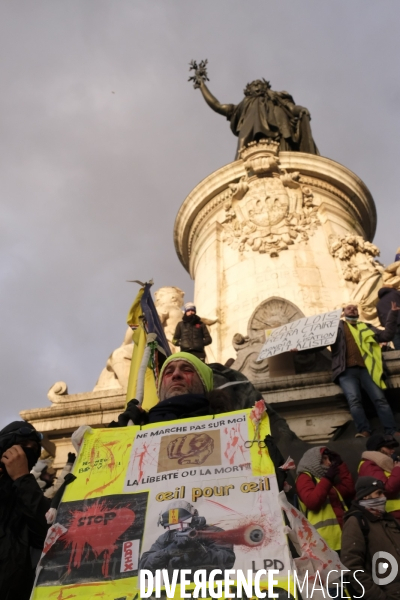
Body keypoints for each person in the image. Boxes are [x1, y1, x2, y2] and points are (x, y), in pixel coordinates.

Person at [331, 303, 400, 438]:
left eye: (355, 308)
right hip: (346, 371)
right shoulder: (336, 328)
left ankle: (391, 430)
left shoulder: (366, 327)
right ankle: (364, 430)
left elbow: (387, 336)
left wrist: (392, 314)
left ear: (358, 313)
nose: (352, 309)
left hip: (367, 370)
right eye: (349, 308)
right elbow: (319, 342)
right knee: (354, 401)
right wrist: (300, 349)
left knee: (380, 399)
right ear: (343, 313)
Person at [116, 352, 234, 427]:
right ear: (160, 389)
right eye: (169, 372)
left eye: (187, 369)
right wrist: (122, 432)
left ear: (204, 383)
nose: (176, 374)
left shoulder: (230, 423)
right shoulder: (135, 425)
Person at [0, 421, 49, 600]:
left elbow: (46, 535)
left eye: (33, 448)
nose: (26, 452)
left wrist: (22, 478)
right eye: (21, 447)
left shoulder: (29, 495)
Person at [138, 500, 235, 577]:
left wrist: (197, 550)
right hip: (178, 592)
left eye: (183, 524)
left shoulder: (212, 532)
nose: (179, 529)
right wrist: (166, 552)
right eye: (173, 526)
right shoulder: (166, 538)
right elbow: (144, 569)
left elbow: (228, 560)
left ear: (194, 519)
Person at [341, 476, 400, 600]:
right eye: (378, 493)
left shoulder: (389, 520)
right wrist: (379, 597)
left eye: (383, 493)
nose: (383, 498)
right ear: (365, 496)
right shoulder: (356, 522)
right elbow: (352, 567)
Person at [296, 446, 355, 552]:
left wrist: (340, 464)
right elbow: (312, 502)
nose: (329, 463)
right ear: (313, 461)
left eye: (329, 459)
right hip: (322, 542)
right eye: (324, 459)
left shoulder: (325, 481)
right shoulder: (305, 477)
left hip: (341, 538)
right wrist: (327, 479)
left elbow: (348, 490)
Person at [358, 433, 400, 521]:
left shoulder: (387, 465)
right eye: (389, 447)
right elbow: (386, 489)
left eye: (393, 447)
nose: (392, 450)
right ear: (377, 449)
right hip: (390, 513)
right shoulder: (368, 465)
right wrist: (397, 470)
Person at [377, 286, 400, 350]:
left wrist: (386, 326)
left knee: (398, 345)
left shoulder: (379, 303)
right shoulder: (396, 294)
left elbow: (380, 318)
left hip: (392, 327)